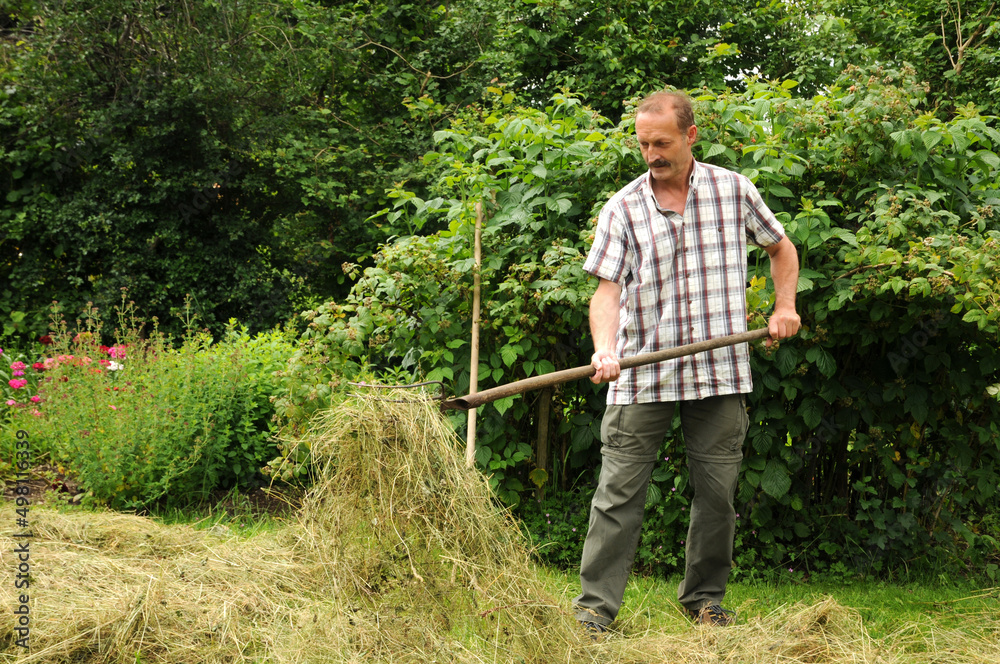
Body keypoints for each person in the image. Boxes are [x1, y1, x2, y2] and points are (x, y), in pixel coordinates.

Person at [573, 90, 801, 634]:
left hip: (719, 371)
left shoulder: (732, 190)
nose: (651, 153)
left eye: (662, 142)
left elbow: (781, 247)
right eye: (643, 142)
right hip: (642, 374)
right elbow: (606, 293)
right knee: (618, 495)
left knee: (718, 494)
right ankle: (594, 611)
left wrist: (785, 306)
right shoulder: (623, 207)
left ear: (691, 135)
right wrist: (606, 348)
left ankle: (705, 600)